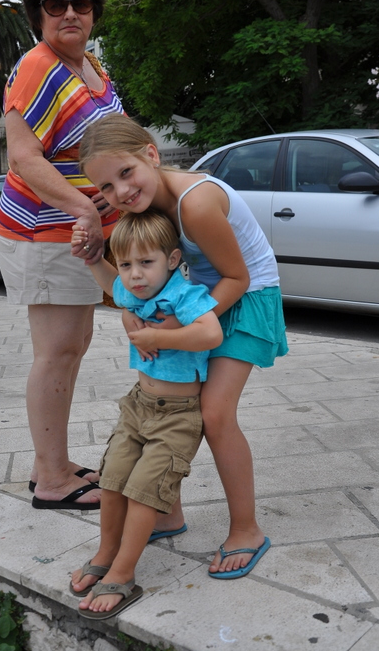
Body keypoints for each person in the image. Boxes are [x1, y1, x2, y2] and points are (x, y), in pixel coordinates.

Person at [76, 114, 288, 578]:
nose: (121, 191)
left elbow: (238, 277)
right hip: (201, 297)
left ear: (151, 154)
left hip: (246, 297)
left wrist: (170, 328)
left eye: (126, 173)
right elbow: (138, 278)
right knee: (169, 400)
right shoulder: (141, 203)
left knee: (214, 413)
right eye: (107, 186)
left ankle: (247, 529)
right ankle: (167, 515)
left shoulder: (196, 203)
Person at [0, 0, 125, 510]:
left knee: (72, 347)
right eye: (56, 4)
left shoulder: (89, 66)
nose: (70, 12)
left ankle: (54, 462)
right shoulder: (37, 68)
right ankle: (51, 481)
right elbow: (25, 158)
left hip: (73, 233)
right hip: (44, 233)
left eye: (81, 2)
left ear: (93, 11)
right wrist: (84, 208)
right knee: (57, 352)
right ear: (38, 15)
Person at [69, 209, 222, 618]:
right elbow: (112, 285)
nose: (135, 275)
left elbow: (211, 332)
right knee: (113, 478)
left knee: (142, 490)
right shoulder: (133, 291)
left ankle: (122, 572)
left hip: (178, 416)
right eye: (126, 264)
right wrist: (93, 259)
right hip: (137, 406)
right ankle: (106, 553)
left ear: (172, 260)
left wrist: (158, 335)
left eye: (146, 263)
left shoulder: (185, 294)